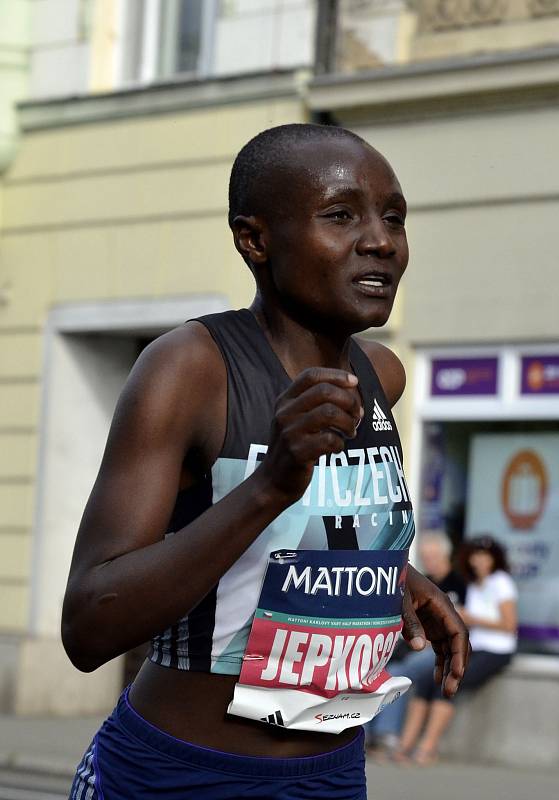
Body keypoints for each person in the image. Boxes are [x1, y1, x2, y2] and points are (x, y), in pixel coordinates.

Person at [62, 123, 469, 799]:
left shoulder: (382, 376)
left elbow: (302, 547)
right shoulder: (189, 370)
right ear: (254, 239)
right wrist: (269, 485)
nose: (379, 240)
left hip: (328, 776)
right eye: (340, 215)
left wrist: (391, 575)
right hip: (180, 775)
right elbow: (88, 624)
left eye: (393, 217)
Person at [396, 535, 517, 765]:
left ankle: (427, 748)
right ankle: (405, 745)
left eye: (485, 556)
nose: (479, 561)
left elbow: (509, 625)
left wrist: (471, 618)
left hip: (497, 650)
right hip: (477, 646)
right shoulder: (473, 584)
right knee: (425, 680)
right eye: (475, 555)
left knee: (451, 680)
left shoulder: (501, 582)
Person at [366, 530, 465, 756]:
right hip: (413, 645)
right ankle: (364, 731)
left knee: (399, 673)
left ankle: (385, 735)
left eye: (433, 557)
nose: (429, 562)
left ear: (446, 556)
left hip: (438, 647)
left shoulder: (459, 583)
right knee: (374, 668)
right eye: (425, 557)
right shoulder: (423, 580)